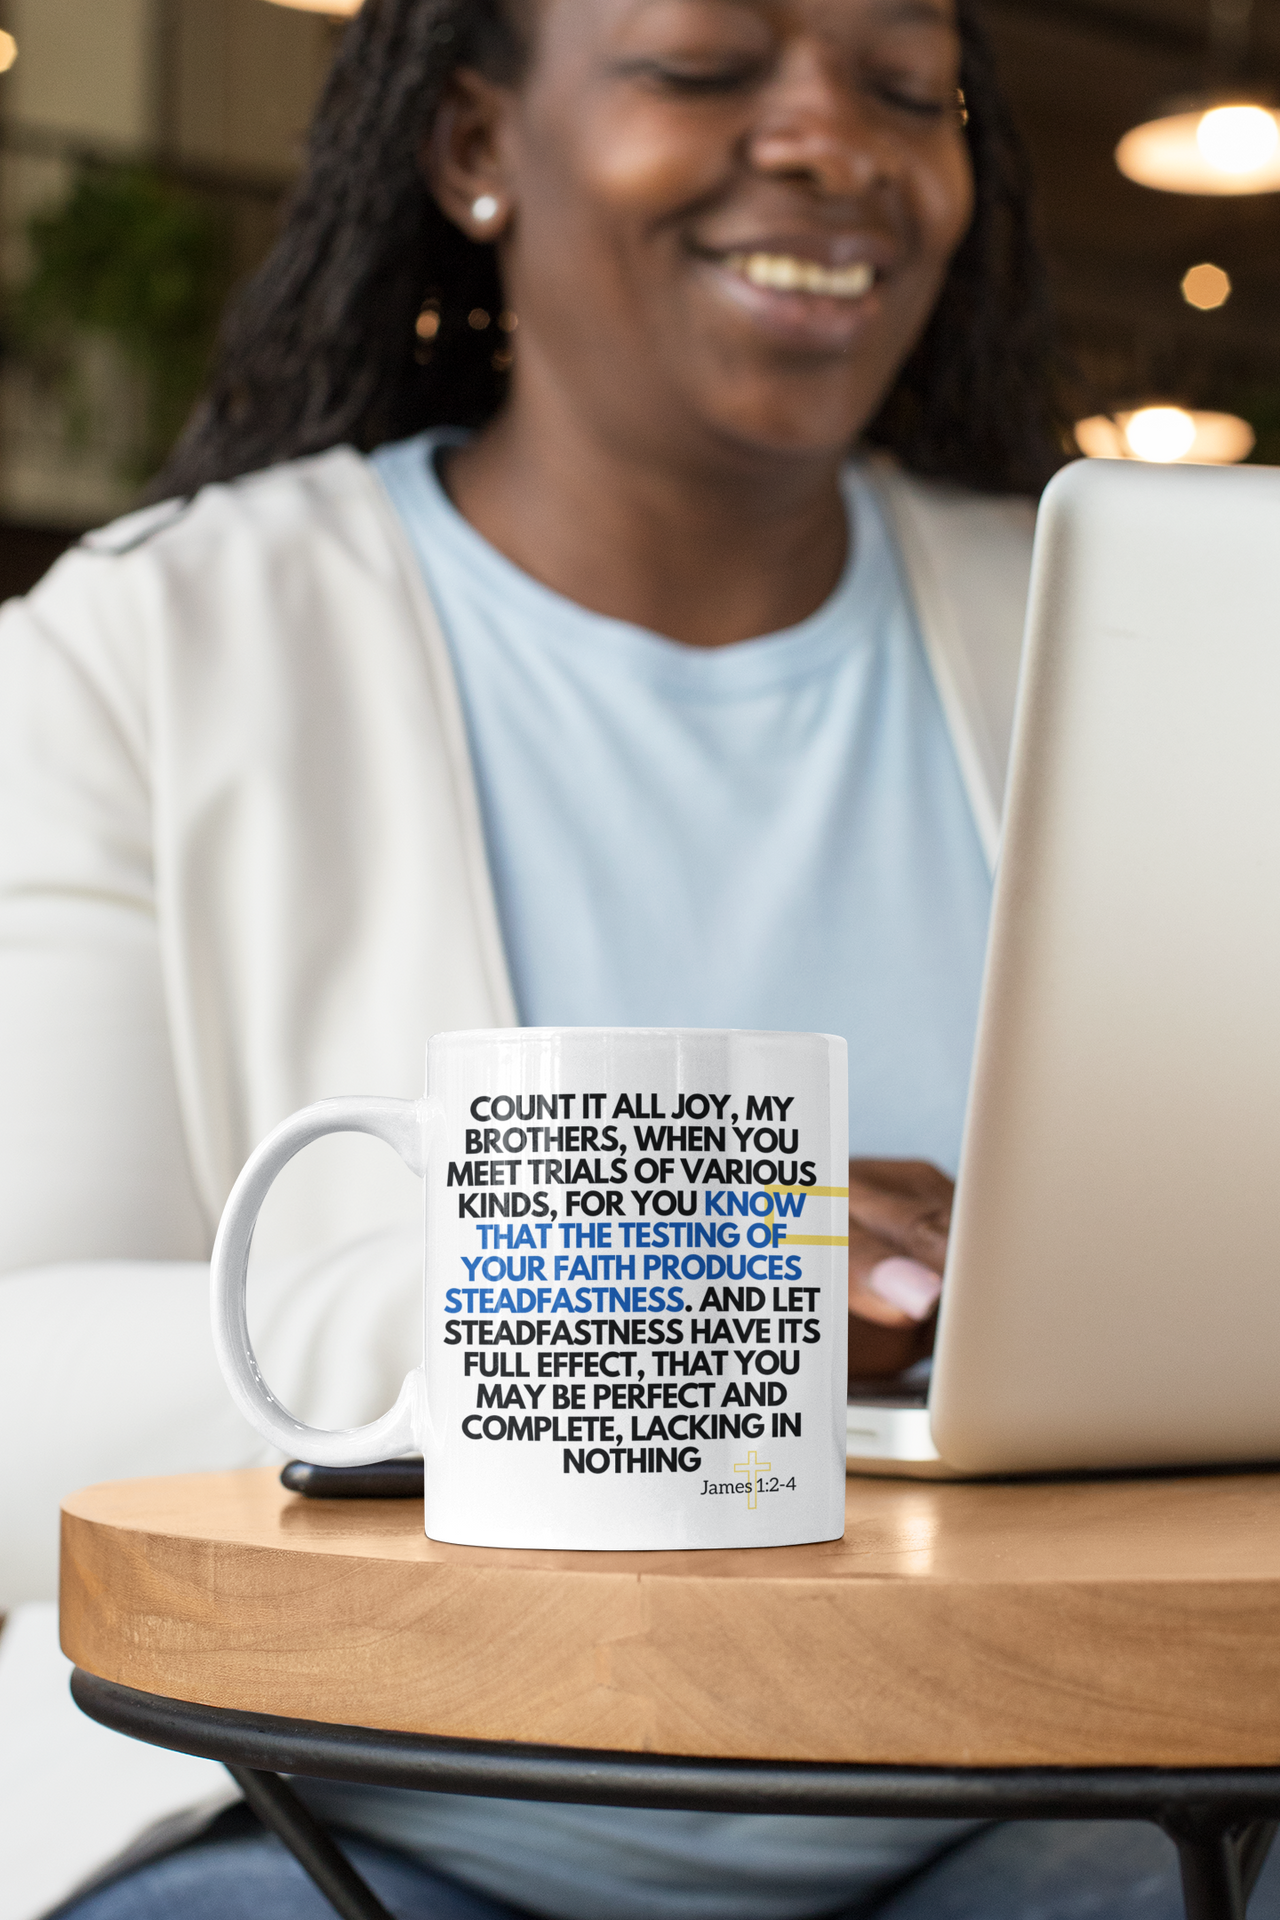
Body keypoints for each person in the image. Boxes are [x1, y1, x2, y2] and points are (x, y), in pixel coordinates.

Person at [3, 0, 1272, 1915]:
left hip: (1049, 1799)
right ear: (471, 146)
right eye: (704, 64)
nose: (833, 141)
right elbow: (23, 1380)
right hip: (346, 1818)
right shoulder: (146, 653)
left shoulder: (1118, 638)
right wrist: (632, 1294)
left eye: (905, 85)